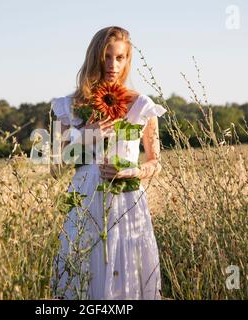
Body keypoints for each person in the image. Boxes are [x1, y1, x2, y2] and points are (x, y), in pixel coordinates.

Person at [49, 26, 167, 300]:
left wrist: (133, 170)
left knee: (127, 275)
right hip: (84, 201)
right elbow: (56, 165)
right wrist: (87, 137)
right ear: (95, 57)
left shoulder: (142, 106)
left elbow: (155, 162)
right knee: (82, 275)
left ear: (128, 60)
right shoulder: (69, 106)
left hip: (127, 202)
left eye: (120, 57)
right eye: (107, 56)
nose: (113, 65)